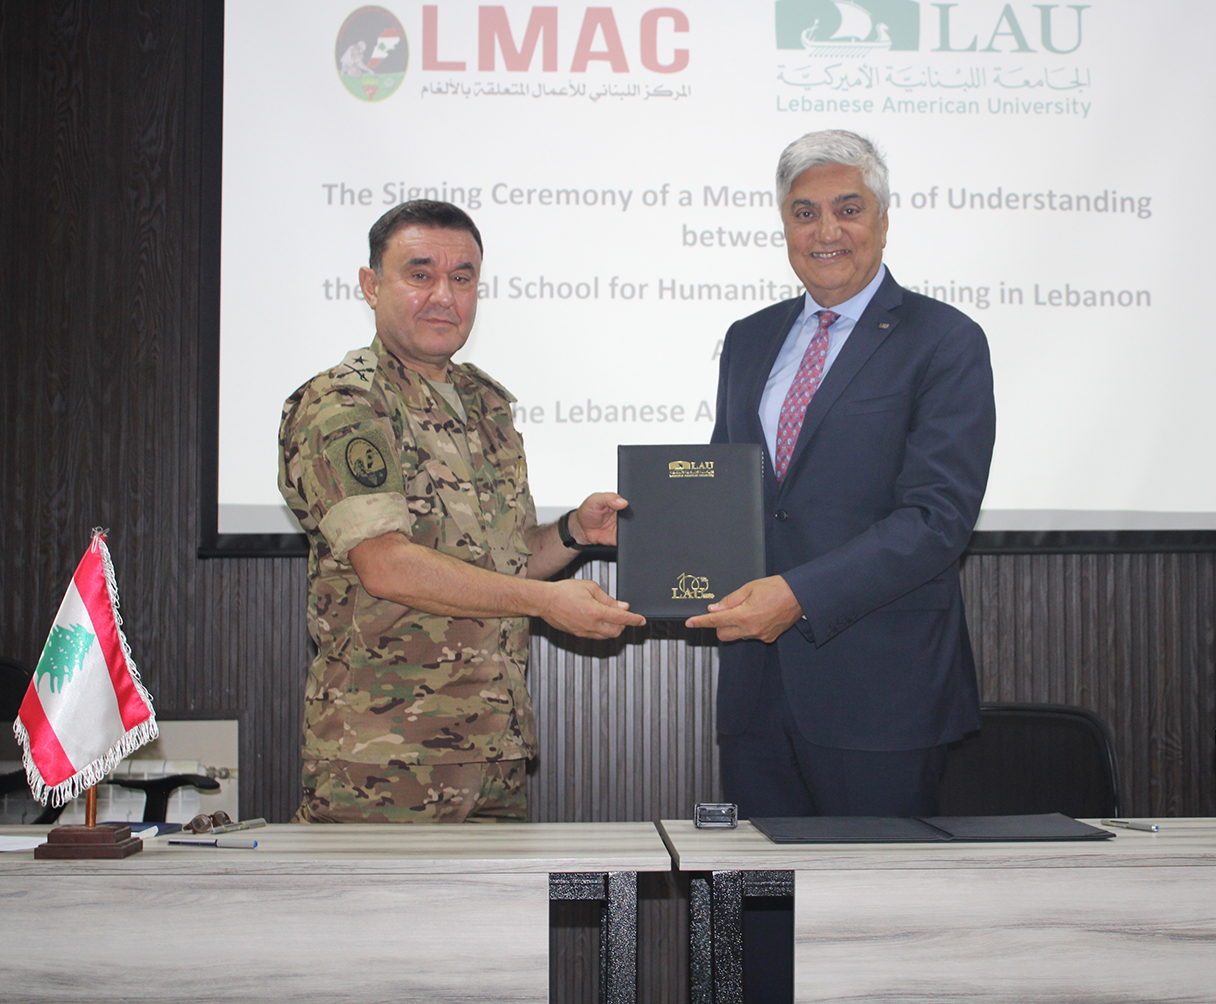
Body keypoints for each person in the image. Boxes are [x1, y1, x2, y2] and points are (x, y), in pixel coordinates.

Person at [279, 200, 645, 823]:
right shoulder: (345, 403)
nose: (443, 296)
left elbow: (505, 565)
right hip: (384, 760)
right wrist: (546, 603)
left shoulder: (486, 404)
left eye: (462, 277)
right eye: (420, 274)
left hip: (495, 752)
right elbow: (386, 566)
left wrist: (573, 532)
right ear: (371, 285)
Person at [687, 131, 996, 818]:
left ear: (883, 221)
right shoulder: (748, 339)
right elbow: (725, 491)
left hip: (881, 695)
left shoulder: (944, 340)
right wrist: (648, 528)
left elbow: (937, 520)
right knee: (761, 887)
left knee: (874, 890)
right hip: (755, 693)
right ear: (784, 227)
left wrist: (798, 595)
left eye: (848, 209)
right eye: (804, 213)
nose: (826, 231)